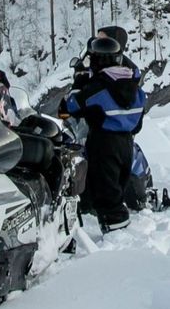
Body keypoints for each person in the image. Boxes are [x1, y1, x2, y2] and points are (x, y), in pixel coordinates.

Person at [62, 35, 145, 233]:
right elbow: (138, 123)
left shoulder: (97, 87)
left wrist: (78, 85)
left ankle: (117, 242)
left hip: (103, 143)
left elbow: (70, 106)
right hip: (126, 143)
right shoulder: (134, 87)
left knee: (107, 198)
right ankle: (119, 235)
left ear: (99, 60)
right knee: (115, 191)